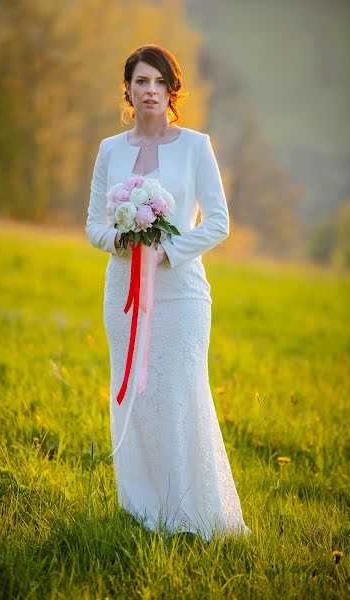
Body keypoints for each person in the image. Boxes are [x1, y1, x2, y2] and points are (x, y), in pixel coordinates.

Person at [85, 44, 252, 543]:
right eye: (140, 81)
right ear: (128, 90)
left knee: (178, 394)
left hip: (181, 293)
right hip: (123, 293)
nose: (149, 90)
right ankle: (143, 506)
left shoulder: (197, 146)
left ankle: (194, 513)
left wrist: (166, 252)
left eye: (158, 81)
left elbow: (219, 223)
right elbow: (93, 224)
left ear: (172, 90)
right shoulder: (109, 150)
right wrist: (119, 239)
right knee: (133, 394)